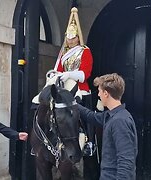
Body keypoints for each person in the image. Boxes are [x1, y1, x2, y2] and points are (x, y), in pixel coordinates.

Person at [77, 73, 138, 179]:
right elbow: (90, 116)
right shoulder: (111, 116)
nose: (98, 95)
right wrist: (72, 103)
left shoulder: (120, 121)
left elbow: (126, 163)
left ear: (106, 93)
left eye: (99, 91)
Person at [53, 7, 95, 157]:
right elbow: (57, 69)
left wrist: (69, 74)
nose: (70, 40)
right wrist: (56, 75)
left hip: (80, 88)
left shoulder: (85, 51)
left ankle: (89, 143)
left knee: (84, 116)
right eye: (68, 37)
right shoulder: (63, 53)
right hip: (63, 88)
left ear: (78, 37)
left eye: (73, 37)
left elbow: (85, 74)